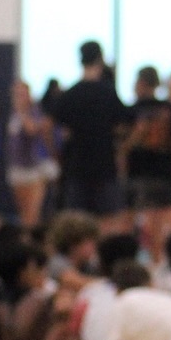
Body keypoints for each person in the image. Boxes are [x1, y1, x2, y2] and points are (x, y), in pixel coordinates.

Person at [49, 41, 129, 232]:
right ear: (100, 60)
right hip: (104, 164)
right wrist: (122, 149)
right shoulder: (108, 93)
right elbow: (126, 123)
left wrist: (55, 152)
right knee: (108, 221)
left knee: (76, 225)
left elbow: (48, 124)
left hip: (77, 164)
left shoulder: (71, 94)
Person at [122, 65, 171, 258]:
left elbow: (125, 147)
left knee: (135, 226)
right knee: (160, 227)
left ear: (141, 83)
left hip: (138, 173)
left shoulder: (131, 111)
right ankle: (157, 262)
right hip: (165, 174)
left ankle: (137, 261)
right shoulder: (169, 110)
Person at [5, 80, 58, 229]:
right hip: (16, 168)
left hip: (32, 169)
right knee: (23, 214)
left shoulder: (33, 112)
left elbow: (32, 130)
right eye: (16, 94)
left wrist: (22, 113)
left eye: (22, 94)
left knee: (32, 216)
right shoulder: (13, 113)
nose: (18, 97)